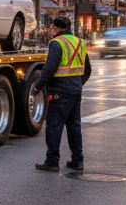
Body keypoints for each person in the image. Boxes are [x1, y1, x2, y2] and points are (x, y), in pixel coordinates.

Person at [32, 15, 92, 172]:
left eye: (53, 28)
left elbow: (49, 68)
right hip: (75, 90)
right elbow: (87, 69)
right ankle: (77, 160)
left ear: (56, 28)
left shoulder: (57, 43)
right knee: (74, 125)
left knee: (54, 125)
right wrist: (77, 84)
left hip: (60, 90)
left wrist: (38, 86)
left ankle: (52, 161)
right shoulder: (80, 42)